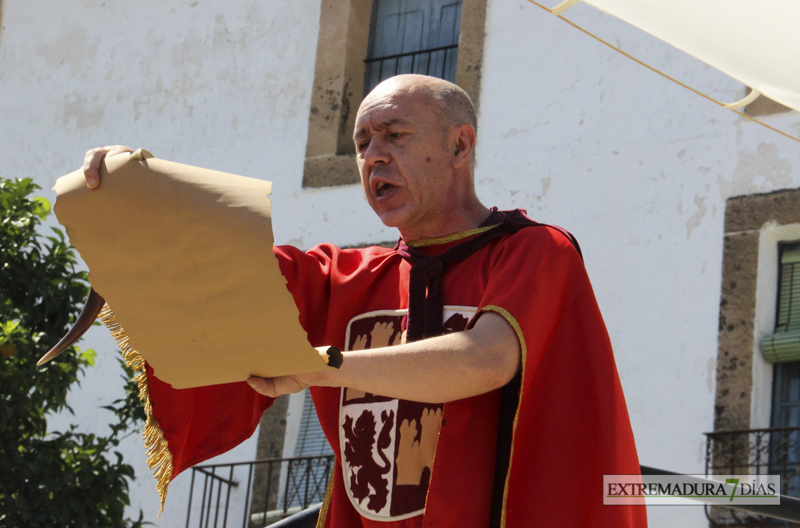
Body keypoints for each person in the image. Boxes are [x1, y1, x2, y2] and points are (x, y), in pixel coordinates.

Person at [82, 74, 646, 527]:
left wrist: (321, 366)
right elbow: (221, 271)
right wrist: (143, 194)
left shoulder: (535, 251)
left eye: (395, 135)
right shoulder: (343, 277)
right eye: (361, 143)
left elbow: (485, 358)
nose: (372, 155)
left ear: (459, 144)